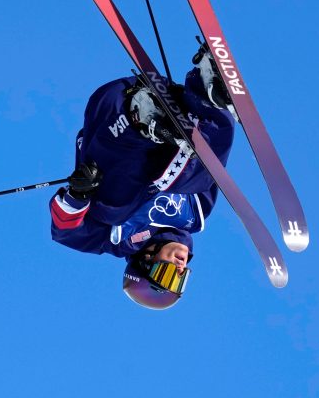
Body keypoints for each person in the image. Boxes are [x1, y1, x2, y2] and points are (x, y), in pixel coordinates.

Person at [49, 47, 238, 309]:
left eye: (167, 275)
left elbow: (65, 232)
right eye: (181, 279)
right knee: (203, 175)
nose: (180, 269)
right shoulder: (196, 214)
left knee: (111, 211)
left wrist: (78, 195)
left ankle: (141, 118)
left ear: (146, 260)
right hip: (172, 110)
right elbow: (212, 161)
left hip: (115, 116)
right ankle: (209, 91)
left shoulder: (116, 239)